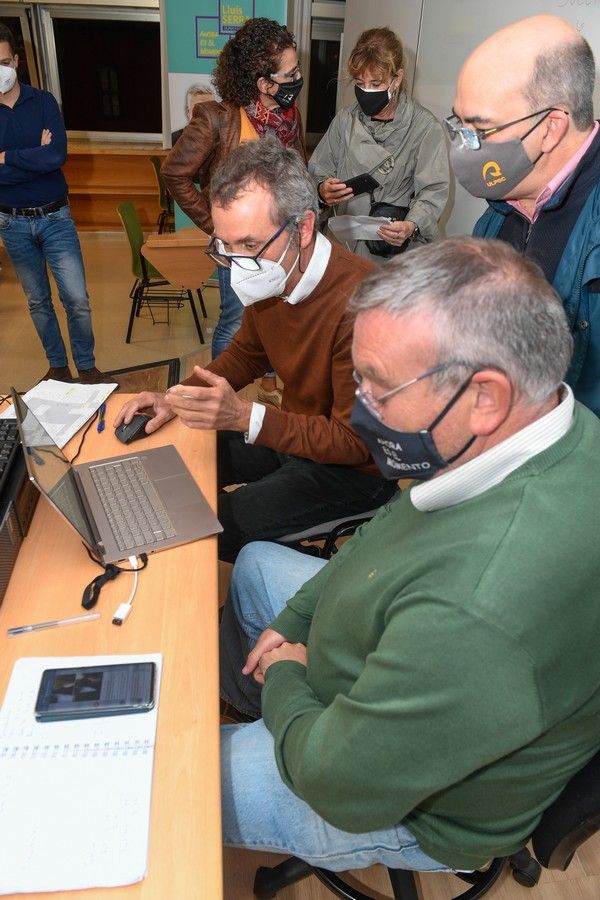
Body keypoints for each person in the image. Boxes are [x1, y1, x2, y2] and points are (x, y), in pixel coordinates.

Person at [218, 236, 600, 874]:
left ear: (485, 398)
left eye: (376, 385)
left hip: (400, 801)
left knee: (164, 778)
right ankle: (266, 709)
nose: (360, 405)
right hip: (393, 653)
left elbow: (338, 784)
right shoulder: (543, 425)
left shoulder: (478, 612)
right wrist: (299, 625)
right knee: (257, 563)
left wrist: (286, 675)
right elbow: (390, 529)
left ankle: (268, 715)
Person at [116, 138, 396, 563]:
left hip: (353, 471)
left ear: (302, 228)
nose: (236, 264)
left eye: (248, 245)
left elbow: (354, 443)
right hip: (297, 434)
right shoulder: (274, 274)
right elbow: (247, 354)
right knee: (179, 459)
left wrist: (245, 416)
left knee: (210, 525)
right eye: (224, 247)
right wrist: (175, 398)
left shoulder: (365, 306)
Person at [447, 14, 600, 416]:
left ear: (551, 128)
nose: (465, 148)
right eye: (459, 124)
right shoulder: (499, 211)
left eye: (481, 129)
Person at [161, 17, 306, 360]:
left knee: (276, 316)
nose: (298, 79)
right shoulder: (217, 118)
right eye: (291, 74)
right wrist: (217, 228)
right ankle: (219, 393)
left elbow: (297, 172)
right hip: (239, 248)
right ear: (263, 83)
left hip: (281, 241)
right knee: (235, 319)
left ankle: (268, 385)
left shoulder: (290, 117)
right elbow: (174, 173)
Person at [0, 23, 107, 385]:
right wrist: (33, 155)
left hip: (55, 217)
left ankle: (87, 366)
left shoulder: (43, 101)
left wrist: (5, 158)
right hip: (11, 223)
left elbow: (56, 156)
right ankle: (58, 367)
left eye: (3, 61)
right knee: (38, 302)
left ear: (15, 60)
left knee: (76, 298)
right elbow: (42, 160)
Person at [308, 26, 449, 261]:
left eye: (375, 84)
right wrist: (322, 191)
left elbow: (433, 191)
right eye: (360, 83)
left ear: (397, 78)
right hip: (343, 244)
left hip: (391, 249)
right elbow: (317, 170)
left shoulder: (424, 127)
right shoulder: (345, 120)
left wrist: (412, 225)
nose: (366, 91)